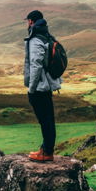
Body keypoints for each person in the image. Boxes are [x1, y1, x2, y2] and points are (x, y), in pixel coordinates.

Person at [23, 10, 62, 162]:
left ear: (31, 21)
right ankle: (46, 149)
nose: (27, 23)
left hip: (40, 86)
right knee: (48, 119)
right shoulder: (46, 35)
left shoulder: (35, 39)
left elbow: (36, 64)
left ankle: (46, 152)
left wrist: (31, 89)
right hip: (47, 84)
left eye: (28, 21)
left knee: (45, 120)